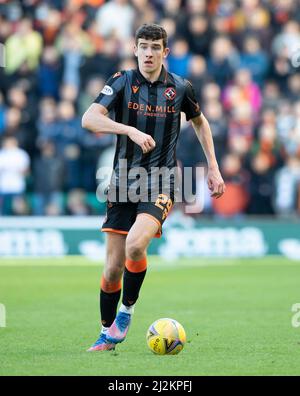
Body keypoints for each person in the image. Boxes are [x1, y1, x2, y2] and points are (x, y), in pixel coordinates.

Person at [82, 23, 225, 352]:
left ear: (165, 52)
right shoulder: (122, 81)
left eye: (155, 47)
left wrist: (213, 168)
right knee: (111, 270)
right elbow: (89, 119)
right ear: (135, 50)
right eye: (143, 46)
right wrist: (128, 131)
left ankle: (126, 312)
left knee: (135, 246)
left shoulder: (180, 87)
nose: (148, 52)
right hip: (122, 182)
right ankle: (107, 335)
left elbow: (201, 122)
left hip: (161, 181)